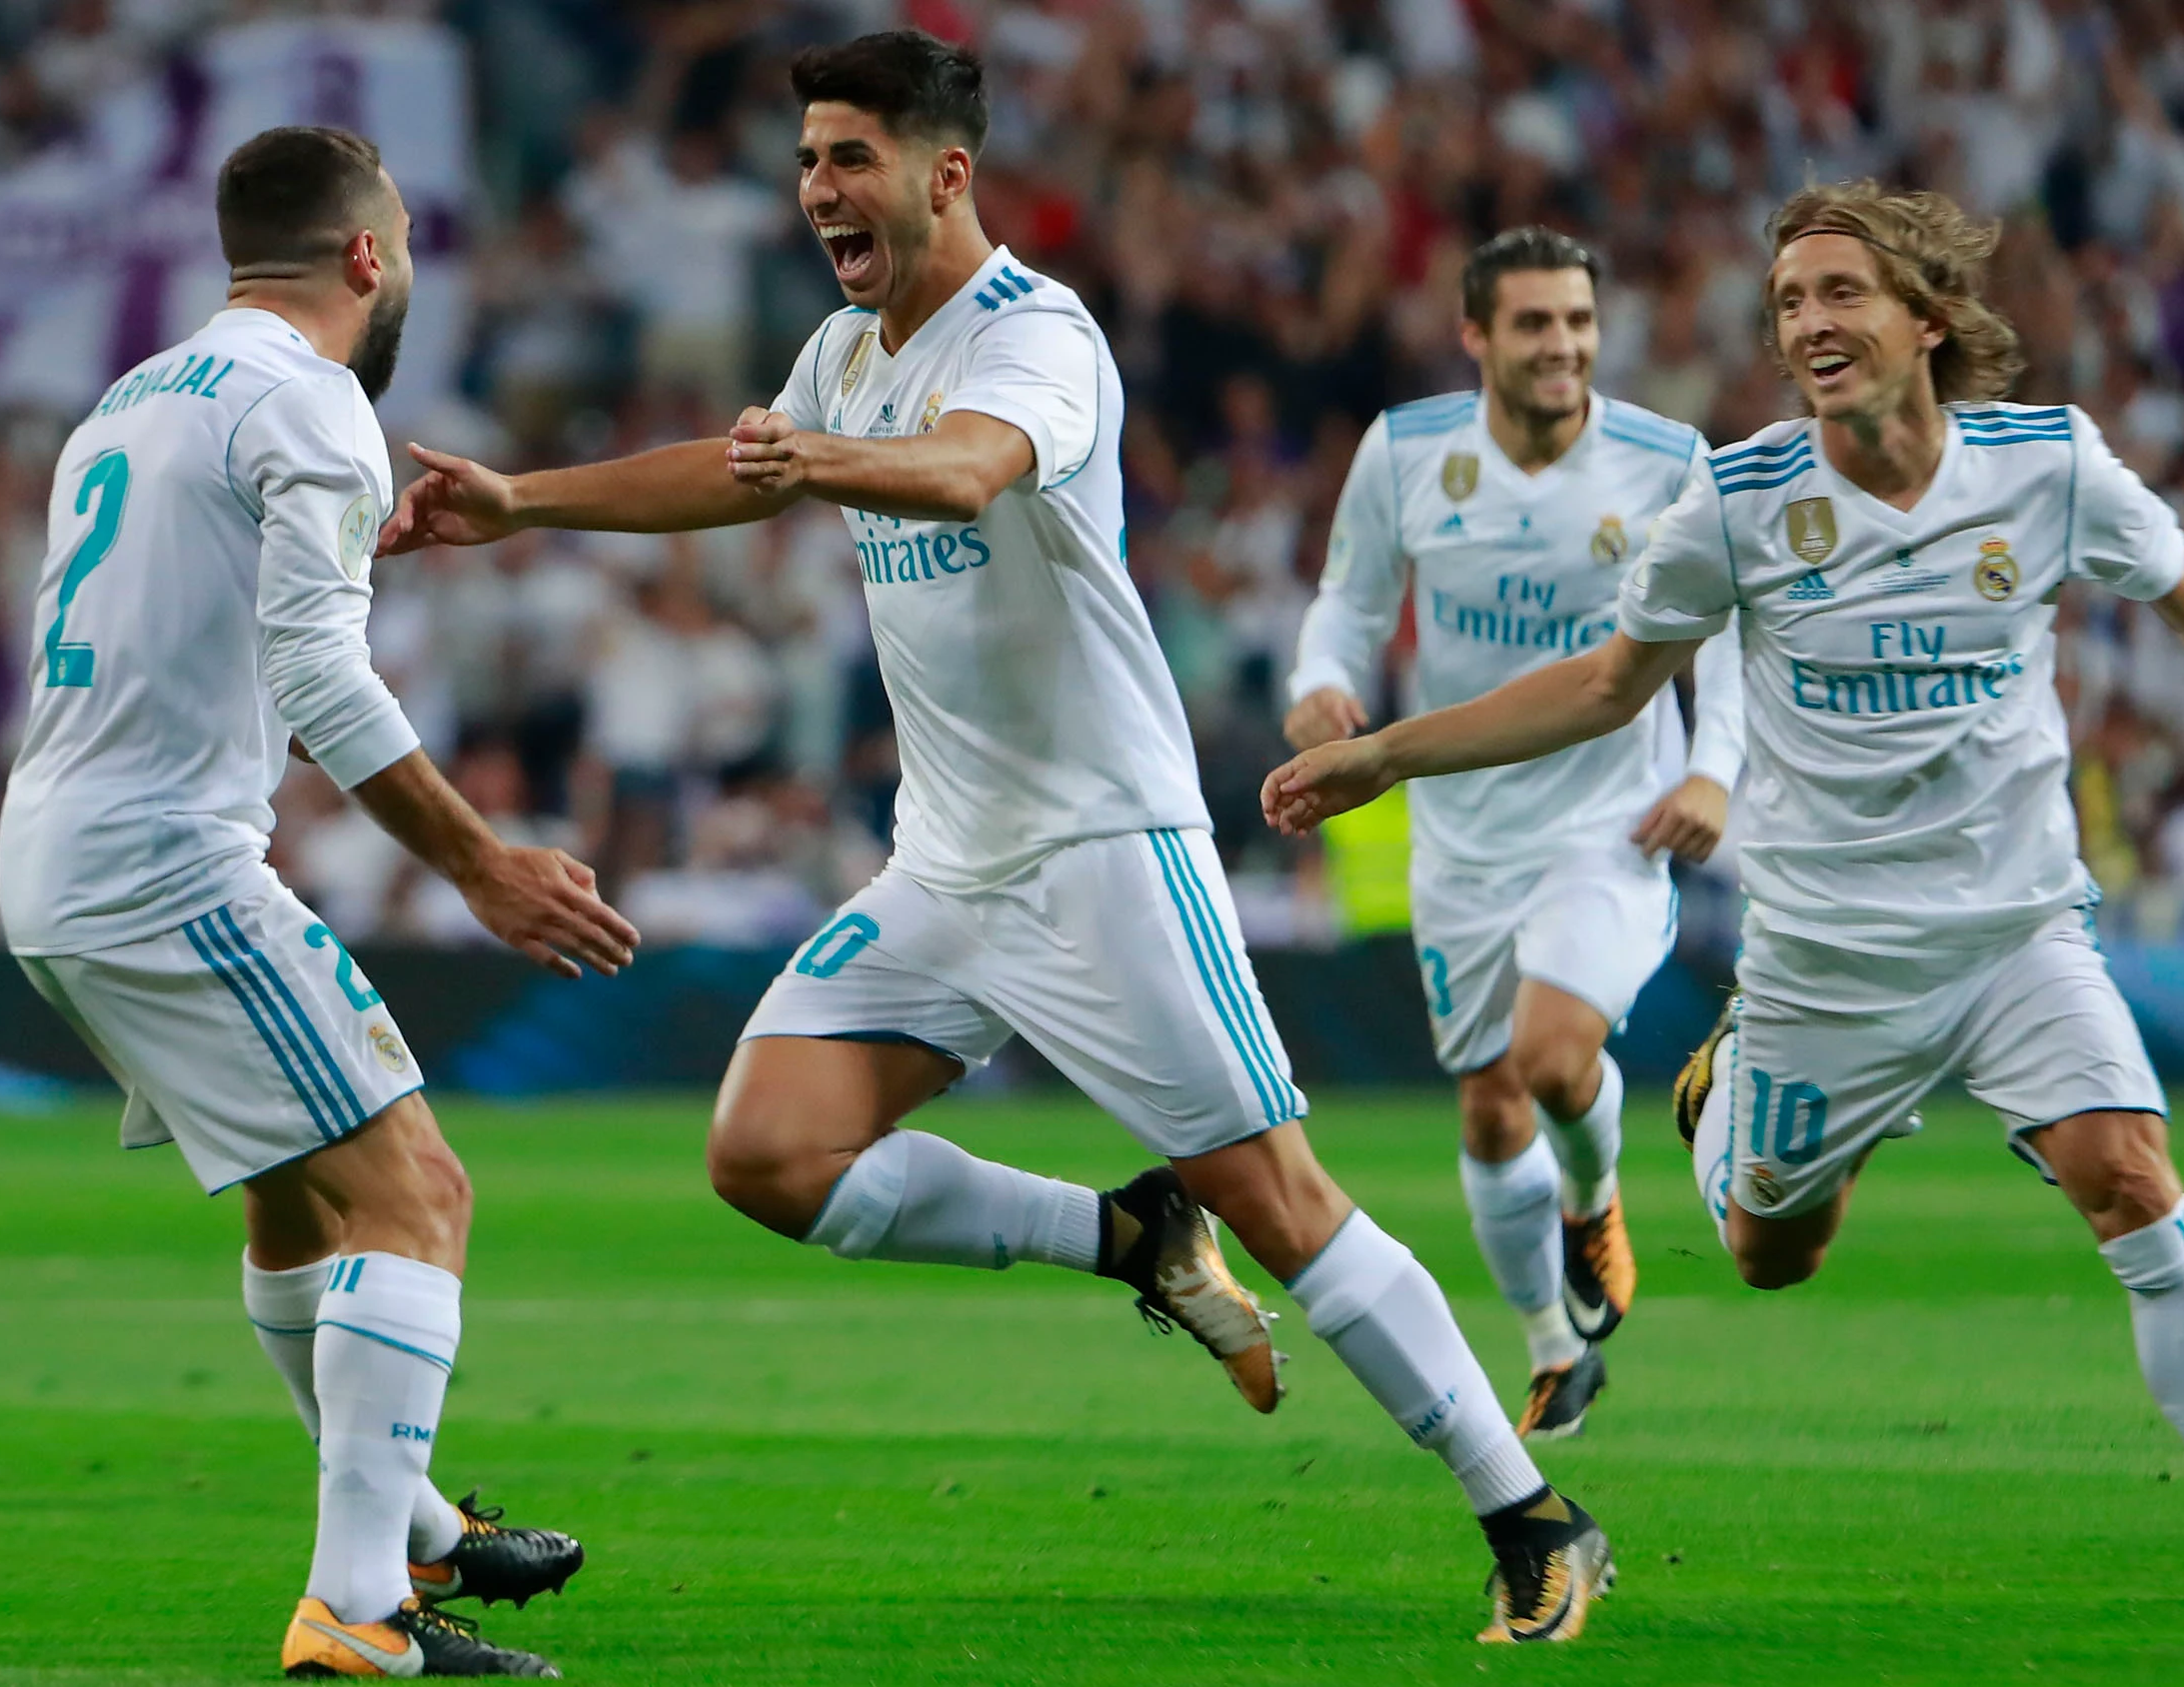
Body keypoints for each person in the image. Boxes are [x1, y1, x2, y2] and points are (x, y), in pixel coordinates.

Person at [381, 30, 1612, 1645]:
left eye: (849, 159)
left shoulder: (1039, 338)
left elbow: (970, 473)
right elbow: (737, 477)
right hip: (947, 864)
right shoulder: (844, 349)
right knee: (766, 1149)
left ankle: (1533, 1512)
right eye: (811, 157)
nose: (820, 186)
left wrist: (816, 457)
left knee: (1289, 1203)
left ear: (943, 174)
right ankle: (1128, 1230)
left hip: (1107, 853)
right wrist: (526, 500)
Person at [1262, 180, 2184, 1614]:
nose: (1808, 323)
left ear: (1927, 318)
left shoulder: (2049, 466)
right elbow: (1603, 685)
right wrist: (1381, 755)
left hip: (2018, 932)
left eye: (1839, 294)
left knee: (2130, 1173)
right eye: (1789, 303)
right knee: (1771, 1252)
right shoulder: (1743, 497)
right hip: (1826, 961)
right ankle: (1723, 1091)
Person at [0, 126, 642, 1679]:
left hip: (56, 861)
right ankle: (359, 1605)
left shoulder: (132, 400)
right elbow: (315, 674)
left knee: (303, 1203)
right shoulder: (320, 404)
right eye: (405, 237)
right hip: (166, 863)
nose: (406, 261)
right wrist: (482, 857)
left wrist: (340, 540)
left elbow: (190, 607)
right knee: (420, 1198)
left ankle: (410, 1528)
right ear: (365, 257)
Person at [1283, 226, 1743, 1441]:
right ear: (1477, 334)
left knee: (1550, 1054)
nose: (1565, 346)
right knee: (1489, 1106)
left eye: (1581, 323)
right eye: (1537, 323)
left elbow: (1730, 629)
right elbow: (1349, 599)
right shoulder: (1407, 451)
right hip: (1463, 834)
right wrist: (1322, 679)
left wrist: (1712, 771)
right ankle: (1553, 1343)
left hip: (1609, 817)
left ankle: (1593, 1197)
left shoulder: (1665, 461)